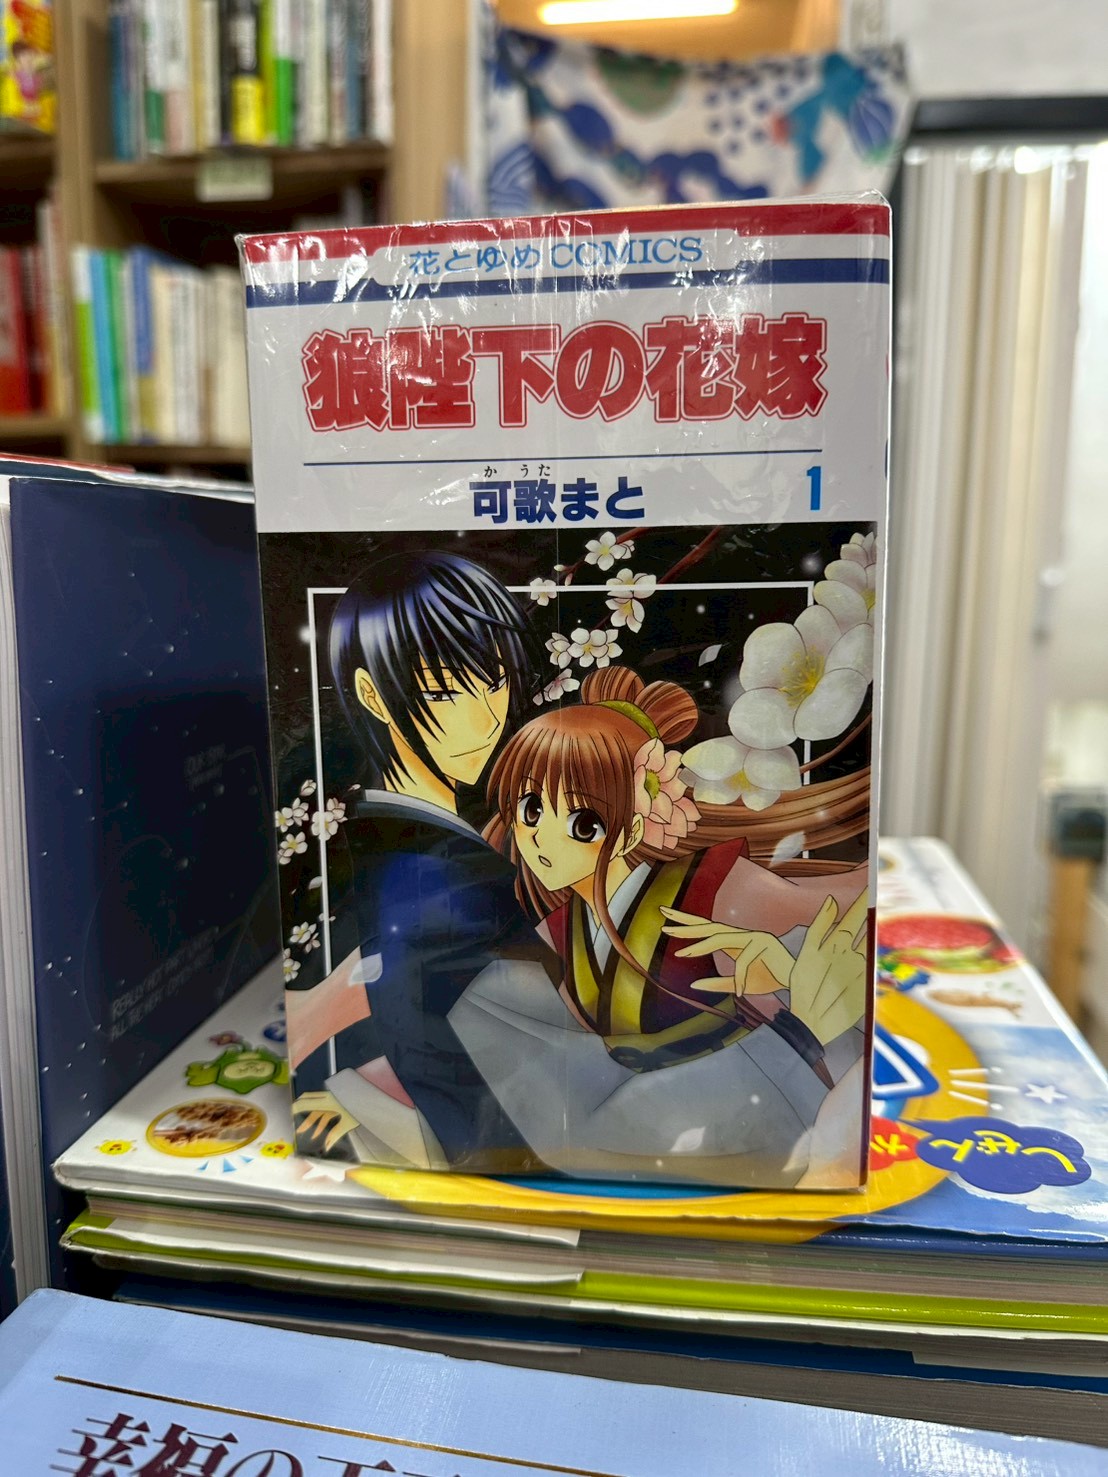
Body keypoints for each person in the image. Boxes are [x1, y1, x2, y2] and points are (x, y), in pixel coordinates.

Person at [483, 664, 869, 1079]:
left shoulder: (715, 889)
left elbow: (858, 905)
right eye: (531, 809)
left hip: (754, 1093)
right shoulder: (556, 933)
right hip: (642, 1110)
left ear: (633, 831)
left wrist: (792, 977)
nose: (541, 838)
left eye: (583, 824)